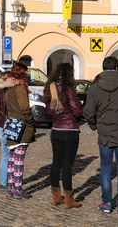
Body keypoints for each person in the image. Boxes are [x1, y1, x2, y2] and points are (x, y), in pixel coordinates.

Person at [82, 56, 118, 215]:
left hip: (104, 132)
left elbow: (88, 112)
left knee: (106, 169)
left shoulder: (95, 86)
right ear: (117, 68)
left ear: (103, 68)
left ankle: (107, 203)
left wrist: (94, 126)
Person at [44, 62, 83, 209]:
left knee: (56, 163)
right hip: (70, 130)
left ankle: (55, 196)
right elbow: (76, 112)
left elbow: (48, 111)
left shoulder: (50, 89)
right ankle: (68, 199)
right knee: (67, 165)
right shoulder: (68, 90)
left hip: (56, 130)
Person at [4, 62, 36, 199]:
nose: (27, 74)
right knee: (18, 160)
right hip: (21, 127)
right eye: (26, 71)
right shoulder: (19, 88)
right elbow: (25, 108)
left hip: (11, 125)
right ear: (22, 72)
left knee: (12, 158)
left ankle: (11, 188)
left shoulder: (9, 87)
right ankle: (18, 189)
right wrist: (31, 122)